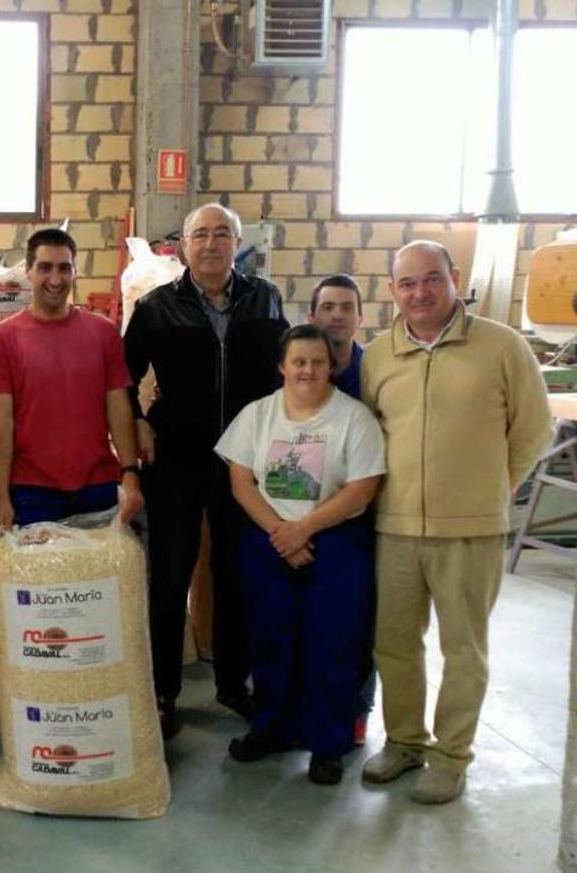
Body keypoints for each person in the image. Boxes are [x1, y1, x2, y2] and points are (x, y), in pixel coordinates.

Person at [360, 240, 552, 804]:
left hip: (471, 529)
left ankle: (451, 756)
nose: (420, 292)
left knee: (464, 649)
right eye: (407, 283)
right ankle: (404, 742)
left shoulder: (501, 346)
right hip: (394, 526)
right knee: (394, 643)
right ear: (392, 289)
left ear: (454, 278)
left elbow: (533, 429)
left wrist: (496, 486)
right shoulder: (378, 355)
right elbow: (368, 435)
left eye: (431, 279)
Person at [124, 203, 288, 738]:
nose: (212, 244)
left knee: (235, 574)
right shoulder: (155, 307)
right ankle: (164, 690)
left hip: (244, 462)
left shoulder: (264, 298)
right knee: (170, 577)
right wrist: (138, 421)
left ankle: (232, 683)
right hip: (176, 459)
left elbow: (286, 373)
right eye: (201, 235)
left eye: (222, 234)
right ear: (183, 248)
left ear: (237, 242)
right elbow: (120, 378)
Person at [215, 324, 386, 785]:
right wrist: (280, 533)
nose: (307, 370)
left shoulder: (354, 418)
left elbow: (363, 488)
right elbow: (240, 480)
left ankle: (327, 743)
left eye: (317, 361)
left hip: (335, 542)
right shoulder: (257, 415)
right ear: (282, 367)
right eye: (299, 361)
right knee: (271, 641)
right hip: (269, 540)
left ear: (332, 367)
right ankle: (271, 728)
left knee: (331, 646)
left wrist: (304, 528)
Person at [0, 227, 143, 530]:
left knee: (101, 577)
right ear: (28, 271)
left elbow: (118, 407)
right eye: (44, 268)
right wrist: (2, 496)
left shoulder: (103, 333)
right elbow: (0, 424)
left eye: (64, 268)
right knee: (38, 577)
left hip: (99, 486)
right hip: (31, 491)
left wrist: (130, 472)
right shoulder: (1, 340)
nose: (55, 279)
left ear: (75, 271)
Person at [306, 273, 375, 743]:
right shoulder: (302, 365)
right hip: (302, 511)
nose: (336, 315)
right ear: (313, 315)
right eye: (328, 306)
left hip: (360, 509)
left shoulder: (374, 371)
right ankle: (300, 708)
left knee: (357, 619)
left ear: (358, 316)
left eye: (346, 307)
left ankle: (355, 709)